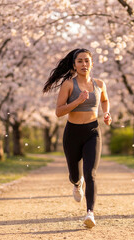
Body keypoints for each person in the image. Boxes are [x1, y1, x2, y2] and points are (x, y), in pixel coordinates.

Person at [43, 48, 112, 228]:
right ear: (74, 65)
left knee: (91, 174)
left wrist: (106, 113)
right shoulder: (68, 84)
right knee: (75, 174)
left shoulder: (99, 84)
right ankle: (76, 183)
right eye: (80, 61)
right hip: (72, 133)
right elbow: (59, 112)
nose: (84, 64)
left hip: (92, 132)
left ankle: (90, 213)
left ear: (92, 63)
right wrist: (77, 101)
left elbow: (104, 100)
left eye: (87, 61)